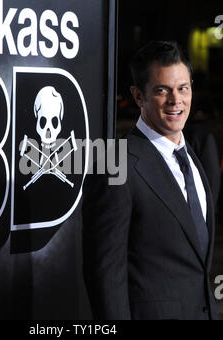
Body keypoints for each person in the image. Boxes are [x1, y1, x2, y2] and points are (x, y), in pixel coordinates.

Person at [82, 41, 219, 320]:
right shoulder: (115, 160)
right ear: (138, 96)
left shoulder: (195, 152)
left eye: (183, 88)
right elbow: (105, 274)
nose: (175, 101)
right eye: (161, 90)